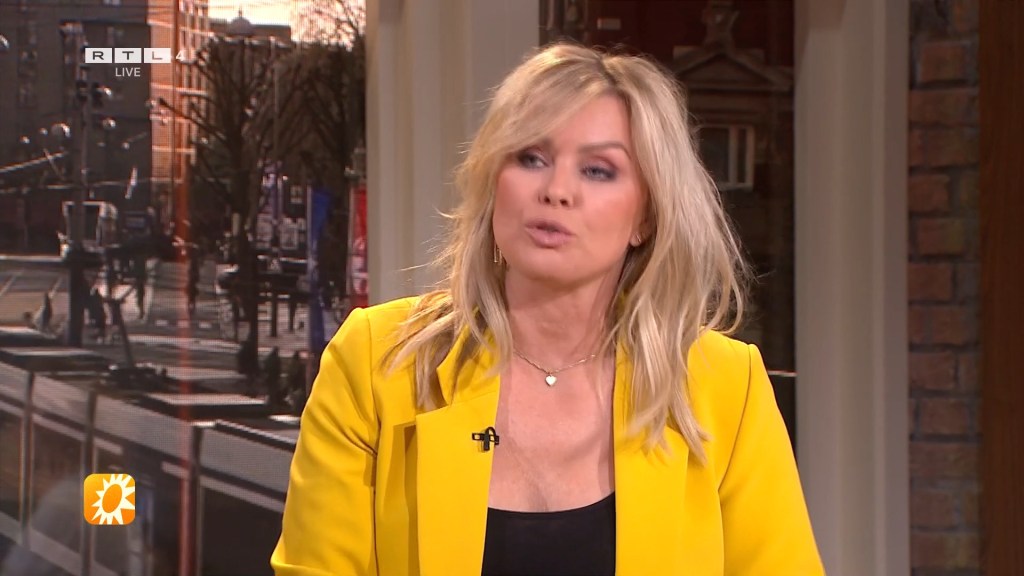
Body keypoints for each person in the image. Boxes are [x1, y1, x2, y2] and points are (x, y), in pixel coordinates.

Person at [271, 43, 823, 575]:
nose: (557, 190)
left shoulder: (725, 388)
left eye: (598, 170)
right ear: (495, 185)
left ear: (645, 217)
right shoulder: (377, 364)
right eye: (531, 158)